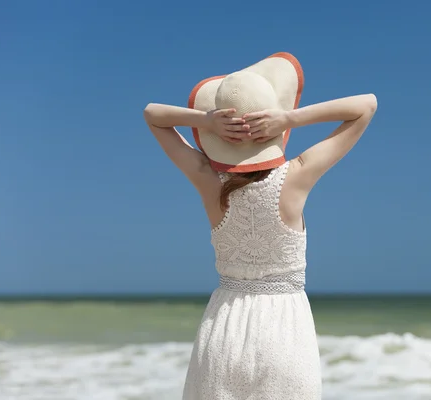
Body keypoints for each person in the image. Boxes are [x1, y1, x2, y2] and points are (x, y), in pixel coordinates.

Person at [143, 52, 377, 400]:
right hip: (285, 331)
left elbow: (153, 115)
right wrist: (289, 118)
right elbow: (366, 106)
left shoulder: (209, 180)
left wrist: (206, 121)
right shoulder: (297, 175)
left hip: (224, 326)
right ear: (273, 129)